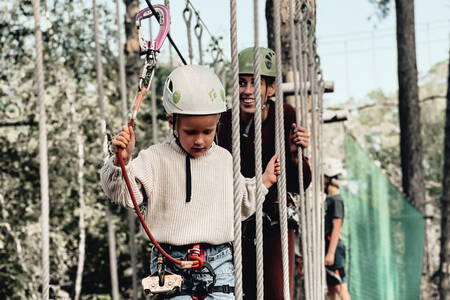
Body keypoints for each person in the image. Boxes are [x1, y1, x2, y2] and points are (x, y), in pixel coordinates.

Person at [100, 65, 281, 299]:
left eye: (208, 131)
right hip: (169, 264)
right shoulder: (155, 158)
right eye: (190, 132)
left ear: (217, 122)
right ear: (171, 122)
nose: (200, 140)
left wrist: (264, 181)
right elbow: (123, 194)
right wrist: (120, 162)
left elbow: (239, 205)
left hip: (219, 262)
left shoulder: (223, 159)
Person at [217, 47, 312, 300]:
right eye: (241, 83)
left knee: (277, 295)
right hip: (236, 225)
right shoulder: (222, 125)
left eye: (254, 83)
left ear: (270, 88)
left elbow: (299, 183)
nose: (247, 91)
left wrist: (295, 155)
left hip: (275, 223)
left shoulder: (285, 115)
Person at [323, 158, 351, 300]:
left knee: (341, 287)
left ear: (327, 177)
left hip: (334, 248)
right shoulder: (327, 199)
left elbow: (336, 228)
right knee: (332, 289)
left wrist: (331, 253)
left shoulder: (336, 200)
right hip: (327, 246)